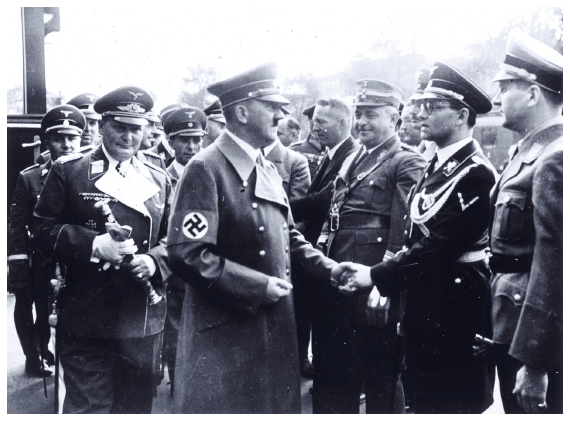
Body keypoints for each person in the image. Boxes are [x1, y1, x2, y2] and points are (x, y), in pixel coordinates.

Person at [167, 63, 354, 414]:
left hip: (271, 327)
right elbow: (187, 253)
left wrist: (330, 269)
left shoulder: (264, 166)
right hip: (226, 336)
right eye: (272, 106)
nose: (282, 114)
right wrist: (256, 287)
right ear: (241, 111)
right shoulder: (206, 167)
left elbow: (289, 234)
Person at [337, 62, 497, 414]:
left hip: (455, 306)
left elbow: (437, 246)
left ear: (462, 116)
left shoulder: (475, 173)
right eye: (422, 105)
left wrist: (374, 275)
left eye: (434, 107)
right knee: (423, 395)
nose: (422, 113)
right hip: (425, 304)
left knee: (450, 400)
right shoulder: (436, 164)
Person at [33, 86, 171, 414]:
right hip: (87, 316)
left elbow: (175, 240)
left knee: (134, 409)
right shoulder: (70, 170)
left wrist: (154, 261)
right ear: (103, 125)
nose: (128, 137)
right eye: (120, 127)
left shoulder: (158, 176)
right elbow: (41, 230)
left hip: (141, 320)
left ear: (147, 130)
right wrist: (94, 244)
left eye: (136, 129)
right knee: (89, 410)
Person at [312, 80, 426, 414]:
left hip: (372, 287)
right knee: (335, 374)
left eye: (371, 114)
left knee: (381, 379)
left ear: (395, 119)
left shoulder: (406, 161)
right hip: (339, 281)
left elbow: (405, 233)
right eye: (359, 113)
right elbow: (334, 217)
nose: (361, 121)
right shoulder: (352, 159)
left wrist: (384, 285)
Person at [488, 27, 563, 414]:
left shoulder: (555, 157)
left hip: (537, 340)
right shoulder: (525, 152)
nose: (497, 97)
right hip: (512, 325)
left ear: (533, 93)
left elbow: (555, 266)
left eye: (506, 87)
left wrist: (537, 363)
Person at [8, 104, 85, 378]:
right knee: (38, 306)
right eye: (58, 138)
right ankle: (36, 355)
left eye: (72, 138)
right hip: (40, 257)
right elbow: (16, 224)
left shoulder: (88, 175)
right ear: (46, 141)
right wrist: (17, 263)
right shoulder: (29, 178)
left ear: (81, 140)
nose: (66, 144)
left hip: (75, 255)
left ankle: (66, 353)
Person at [288, 98, 359, 378]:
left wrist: (280, 207)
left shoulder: (350, 155)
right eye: (314, 120)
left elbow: (320, 201)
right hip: (318, 249)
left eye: (322, 122)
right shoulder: (333, 153)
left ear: (343, 125)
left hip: (332, 251)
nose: (314, 127)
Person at [161, 105, 207, 395]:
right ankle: (179, 392)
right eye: (183, 140)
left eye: (196, 140)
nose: (191, 146)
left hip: (205, 267)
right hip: (173, 270)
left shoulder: (210, 173)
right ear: (170, 142)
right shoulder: (161, 178)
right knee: (175, 334)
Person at [289, 104, 327, 181]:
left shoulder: (337, 150)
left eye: (322, 123)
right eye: (314, 123)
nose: (317, 128)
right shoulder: (293, 150)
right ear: (309, 124)